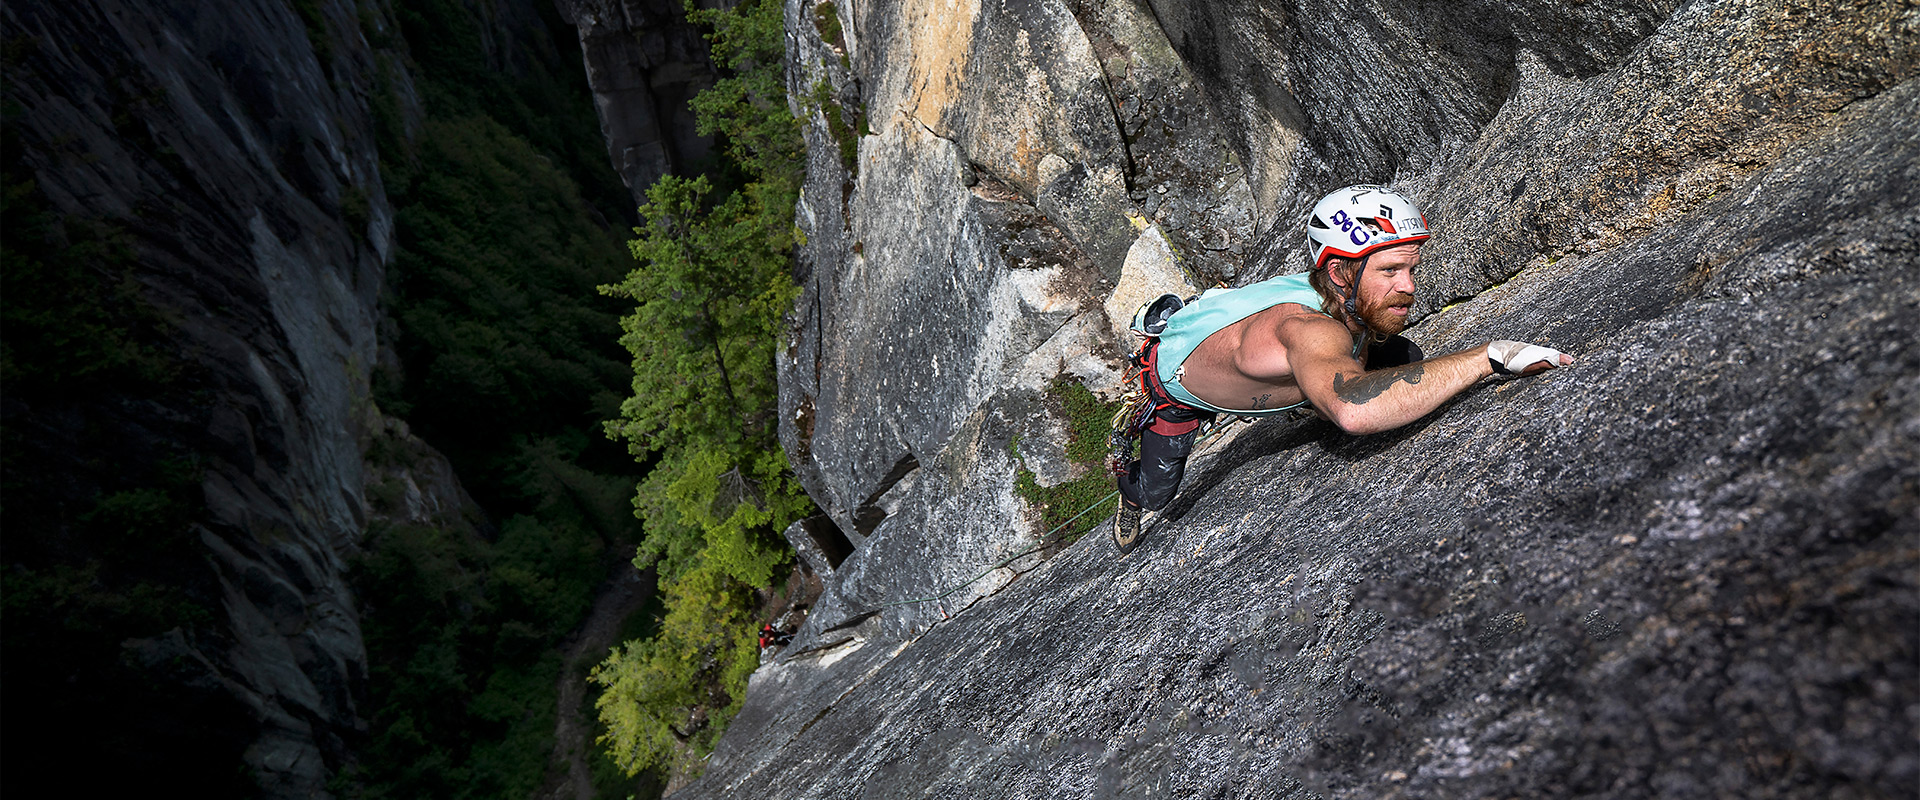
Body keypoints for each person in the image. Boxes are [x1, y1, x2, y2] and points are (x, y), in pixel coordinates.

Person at [1111, 184, 1573, 554]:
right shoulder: (1306, 329)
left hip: (1269, 357)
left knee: (1405, 360)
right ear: (1338, 274)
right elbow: (1353, 410)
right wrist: (1486, 357)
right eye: (1390, 271)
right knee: (1157, 495)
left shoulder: (1342, 299)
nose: (1408, 287)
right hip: (1175, 391)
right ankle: (1128, 493)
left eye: (1411, 270)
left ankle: (1305, 391)